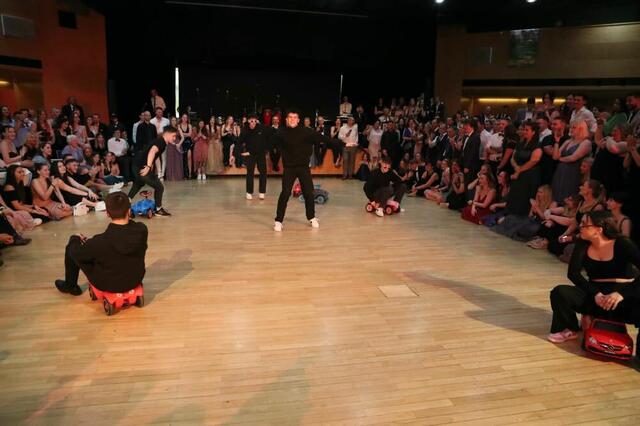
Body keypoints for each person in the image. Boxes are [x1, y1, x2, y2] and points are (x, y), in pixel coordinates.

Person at [548, 211, 640, 354]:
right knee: (560, 292)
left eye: (585, 224)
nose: (580, 226)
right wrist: (596, 294)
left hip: (622, 295)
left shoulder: (622, 243)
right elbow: (573, 274)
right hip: (596, 294)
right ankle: (569, 327)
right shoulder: (582, 243)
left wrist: (620, 294)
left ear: (599, 229)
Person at [54, 192, 148, 296]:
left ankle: (71, 286)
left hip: (108, 284)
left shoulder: (99, 241)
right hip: (135, 279)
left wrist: (75, 239)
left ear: (107, 214)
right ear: (129, 211)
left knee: (71, 248)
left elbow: (76, 253)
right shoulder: (142, 229)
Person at [272, 109, 332, 232]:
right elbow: (268, 143)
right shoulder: (281, 132)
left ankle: (311, 217)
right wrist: (253, 151)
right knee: (285, 193)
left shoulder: (306, 132)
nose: (292, 119)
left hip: (303, 168)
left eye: (295, 117)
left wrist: (342, 144)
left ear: (298, 120)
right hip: (289, 168)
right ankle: (278, 221)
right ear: (287, 119)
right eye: (290, 117)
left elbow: (323, 138)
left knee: (309, 193)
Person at [127, 126, 177, 217]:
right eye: (173, 136)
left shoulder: (160, 141)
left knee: (139, 183)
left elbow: (153, 155)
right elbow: (152, 152)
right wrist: (148, 166)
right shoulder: (161, 142)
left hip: (136, 164)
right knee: (159, 187)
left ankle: (126, 202)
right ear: (167, 134)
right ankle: (158, 209)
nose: (174, 138)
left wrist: (151, 166)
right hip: (140, 166)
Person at [551, 120, 592, 204]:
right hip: (560, 171)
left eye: (574, 127)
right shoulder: (568, 141)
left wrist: (560, 159)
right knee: (556, 194)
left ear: (581, 129)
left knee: (569, 196)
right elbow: (555, 156)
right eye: (571, 127)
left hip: (573, 172)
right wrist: (557, 141)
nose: (571, 129)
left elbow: (573, 158)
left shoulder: (586, 142)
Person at [239, 114, 274, 199]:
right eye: (251, 121)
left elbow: (273, 133)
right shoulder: (245, 130)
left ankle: (262, 192)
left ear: (257, 121)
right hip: (250, 154)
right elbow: (239, 142)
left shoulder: (262, 128)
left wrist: (267, 148)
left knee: (263, 172)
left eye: (255, 121)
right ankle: (249, 192)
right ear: (248, 121)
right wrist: (237, 154)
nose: (253, 122)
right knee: (250, 173)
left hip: (261, 154)